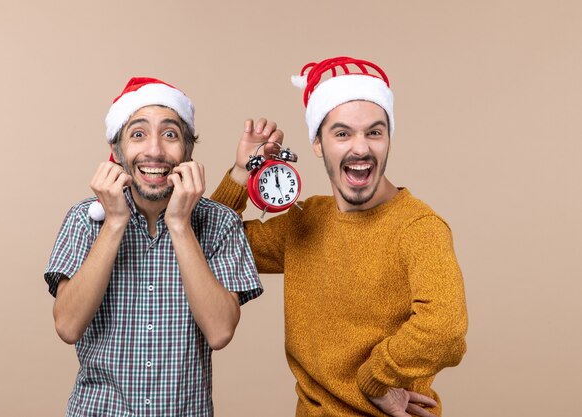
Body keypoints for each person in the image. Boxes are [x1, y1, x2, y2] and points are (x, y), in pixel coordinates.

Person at [211, 57, 468, 417]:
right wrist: (242, 173)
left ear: (388, 139)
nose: (360, 148)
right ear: (317, 143)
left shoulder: (418, 227)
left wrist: (375, 379)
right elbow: (210, 245)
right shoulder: (305, 221)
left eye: (374, 132)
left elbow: (446, 330)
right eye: (342, 133)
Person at [44, 77, 270, 417]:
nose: (154, 150)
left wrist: (179, 224)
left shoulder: (220, 222)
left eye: (170, 134)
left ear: (188, 151)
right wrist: (115, 222)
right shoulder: (84, 219)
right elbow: (67, 326)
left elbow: (220, 331)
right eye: (138, 134)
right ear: (118, 151)